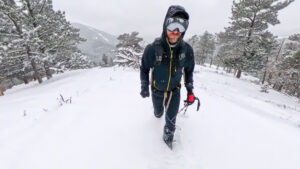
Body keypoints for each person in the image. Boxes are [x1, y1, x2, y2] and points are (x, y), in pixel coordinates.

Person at [140, 5, 195, 149]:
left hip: (174, 91)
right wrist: (144, 86)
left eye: (181, 28)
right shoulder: (152, 48)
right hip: (157, 90)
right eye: (173, 26)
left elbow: (189, 71)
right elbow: (144, 69)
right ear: (165, 25)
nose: (176, 32)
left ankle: (168, 137)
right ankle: (157, 113)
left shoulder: (187, 50)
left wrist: (190, 91)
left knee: (171, 120)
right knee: (158, 113)